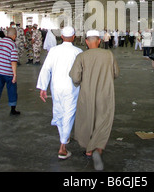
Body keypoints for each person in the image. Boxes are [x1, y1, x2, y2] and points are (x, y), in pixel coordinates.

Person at [69, 30, 120, 171]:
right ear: (99, 41)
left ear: (86, 41)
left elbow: (75, 77)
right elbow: (116, 73)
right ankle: (98, 147)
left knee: (87, 119)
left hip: (87, 93)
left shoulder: (81, 56)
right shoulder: (108, 55)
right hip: (105, 93)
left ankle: (88, 149)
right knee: (103, 119)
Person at [36, 26, 83, 159]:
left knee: (58, 110)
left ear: (61, 37)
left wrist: (43, 87)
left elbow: (46, 69)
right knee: (69, 112)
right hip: (71, 87)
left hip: (56, 87)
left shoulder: (54, 51)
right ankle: (62, 146)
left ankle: (64, 136)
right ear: (73, 37)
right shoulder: (78, 51)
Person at [0, 27, 20, 121]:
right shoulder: (12, 45)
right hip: (8, 73)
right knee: (12, 90)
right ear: (14, 36)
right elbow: (13, 61)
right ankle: (12, 110)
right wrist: (14, 74)